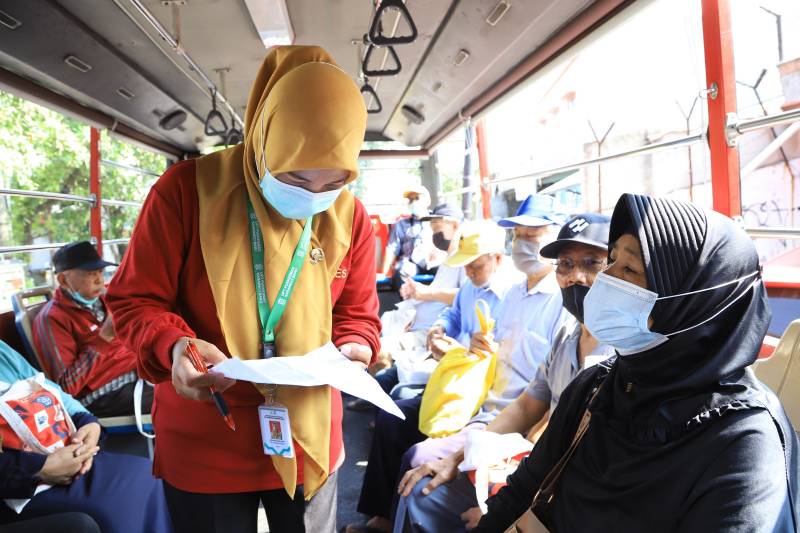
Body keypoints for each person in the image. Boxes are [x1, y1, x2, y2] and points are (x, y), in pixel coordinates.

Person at [105, 46, 381, 533]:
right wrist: (174, 347)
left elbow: (358, 312)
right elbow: (135, 300)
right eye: (297, 177)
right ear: (262, 140)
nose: (315, 197)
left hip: (308, 430)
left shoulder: (350, 217)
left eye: (334, 180)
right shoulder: (185, 193)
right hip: (209, 427)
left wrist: (356, 346)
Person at [475, 194, 800, 532]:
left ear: (694, 304)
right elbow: (521, 493)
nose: (605, 278)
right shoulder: (596, 388)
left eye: (629, 269)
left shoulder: (744, 443)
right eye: (611, 260)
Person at [395, 213, 615, 532]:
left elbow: (574, 451)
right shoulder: (567, 339)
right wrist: (456, 458)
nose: (575, 277)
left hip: (564, 498)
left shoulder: (619, 357)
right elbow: (527, 406)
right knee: (420, 486)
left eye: (592, 263)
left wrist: (506, 508)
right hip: (529, 465)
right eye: (565, 265)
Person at [347, 220, 512, 533]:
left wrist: (470, 347)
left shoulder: (511, 297)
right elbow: (451, 316)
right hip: (454, 386)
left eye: (475, 266)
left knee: (418, 449)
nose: (470, 273)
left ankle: (399, 518)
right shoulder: (470, 287)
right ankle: (381, 515)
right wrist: (438, 332)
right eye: (466, 267)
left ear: (498, 260)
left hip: (480, 396)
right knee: (391, 416)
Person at [0, 341, 173, 533]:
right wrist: (39, 469)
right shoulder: (56, 319)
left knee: (146, 473)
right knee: (112, 507)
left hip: (62, 448)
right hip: (16, 482)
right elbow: (69, 384)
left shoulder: (2, 352)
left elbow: (53, 391)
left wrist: (89, 423)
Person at [32, 241, 152, 417]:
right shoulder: (52, 318)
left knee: (187, 381)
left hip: (136, 373)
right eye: (90, 274)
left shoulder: (105, 300)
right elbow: (66, 387)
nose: (99, 280)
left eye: (100, 272)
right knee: (174, 398)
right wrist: (104, 337)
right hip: (102, 395)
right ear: (63, 280)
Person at [364, 204, 467, 402]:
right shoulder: (448, 259)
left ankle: (380, 403)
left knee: (381, 351)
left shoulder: (464, 261)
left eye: (438, 229)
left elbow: (462, 296)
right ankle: (375, 400)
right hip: (416, 325)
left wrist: (426, 293)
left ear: (454, 225)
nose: (435, 235)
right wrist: (415, 293)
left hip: (432, 332)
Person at [382, 185, 434, 289]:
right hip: (412, 264)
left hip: (433, 262)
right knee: (402, 270)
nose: (414, 202)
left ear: (427, 201)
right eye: (411, 200)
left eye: (417, 198)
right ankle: (407, 303)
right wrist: (383, 273)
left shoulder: (437, 221)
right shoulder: (401, 224)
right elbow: (392, 248)